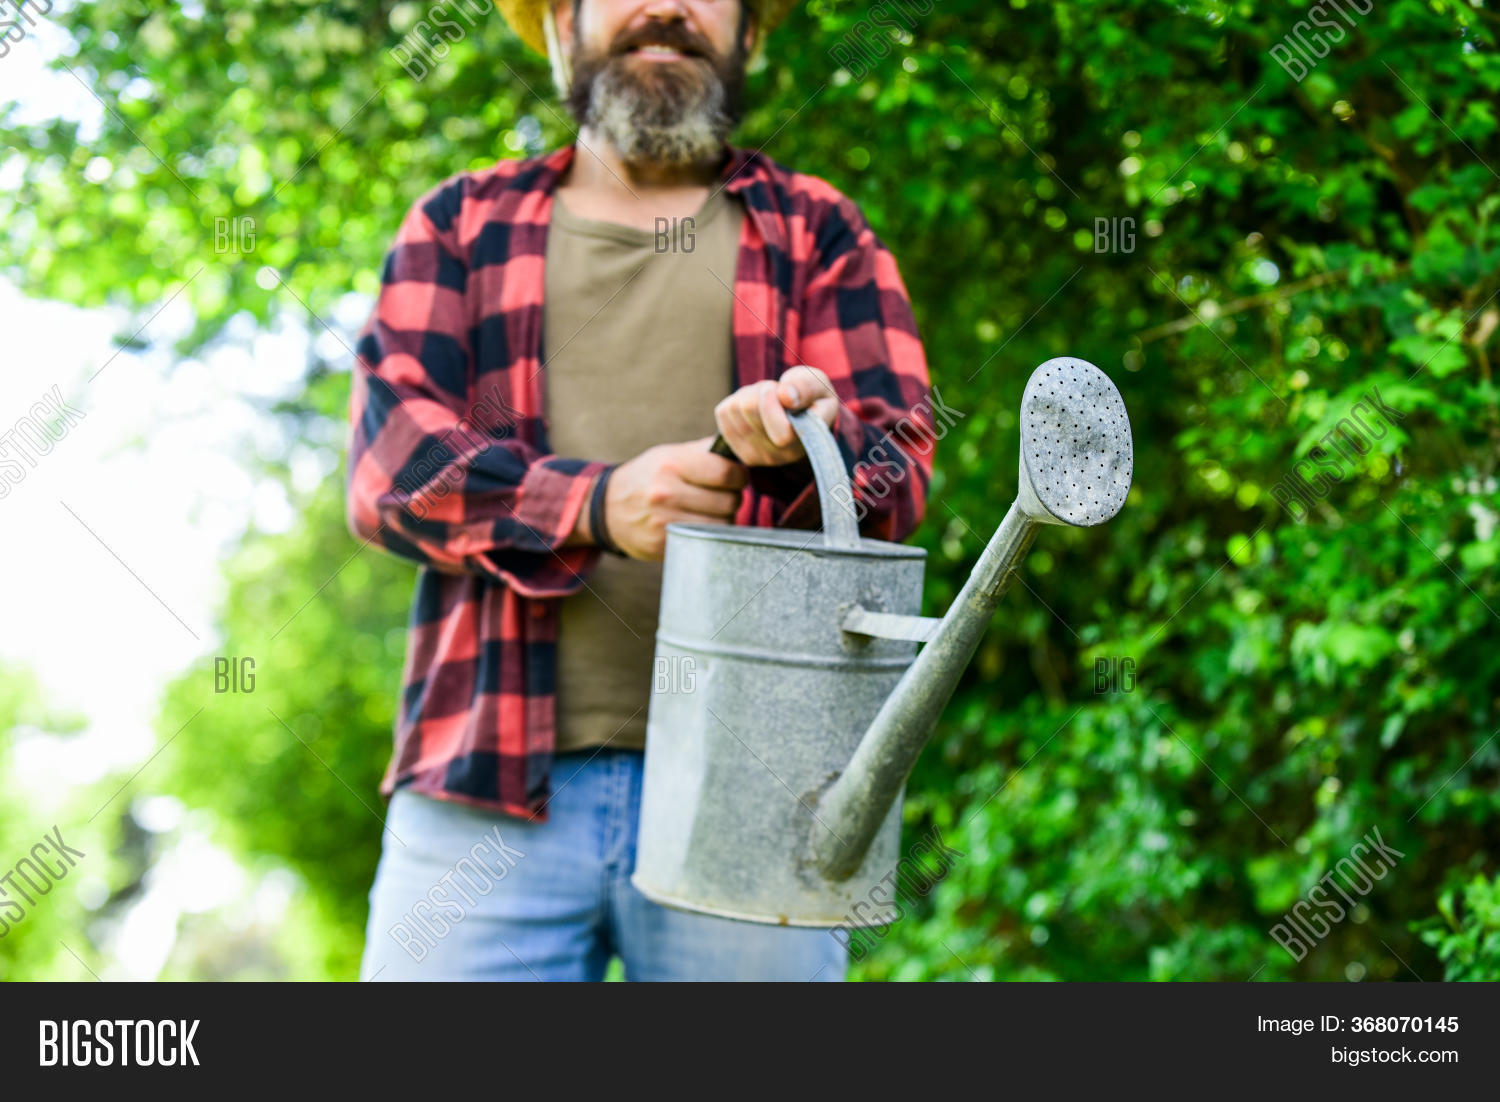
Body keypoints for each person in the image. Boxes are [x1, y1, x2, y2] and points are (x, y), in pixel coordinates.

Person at [348, 0, 934, 981]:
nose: (665, 5)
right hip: (482, 793)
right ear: (561, 25)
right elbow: (387, 469)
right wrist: (594, 504)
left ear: (750, 32)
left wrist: (807, 455)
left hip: (759, 795)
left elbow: (901, 464)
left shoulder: (818, 230)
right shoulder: (460, 222)